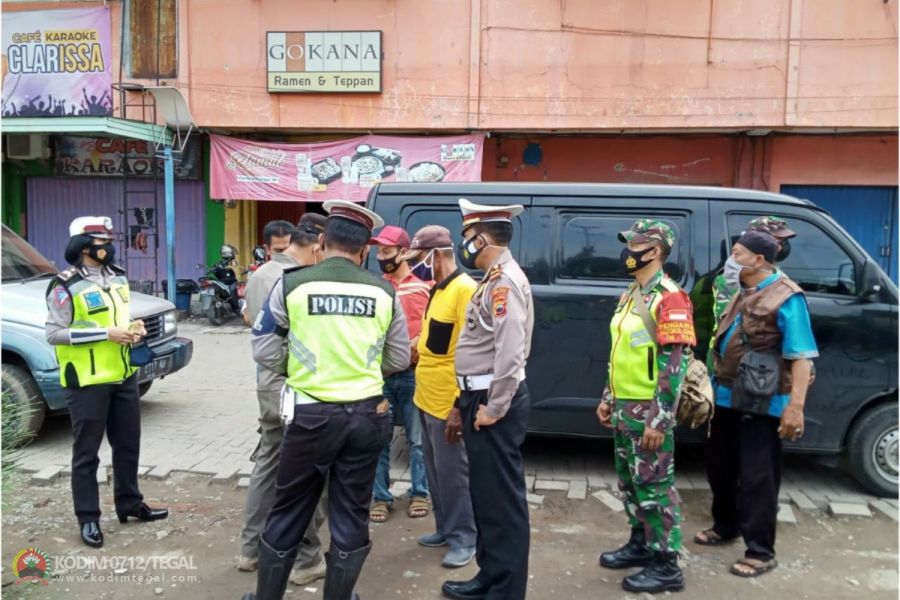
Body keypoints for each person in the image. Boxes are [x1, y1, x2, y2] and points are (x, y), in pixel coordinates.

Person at [243, 200, 410, 600]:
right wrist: (362, 371)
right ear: (365, 249)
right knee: (351, 512)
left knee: (290, 509)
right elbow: (400, 357)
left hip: (310, 415)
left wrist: (301, 369)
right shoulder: (385, 292)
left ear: (322, 241)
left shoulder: (293, 284)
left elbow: (264, 349)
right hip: (368, 416)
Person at [696, 229, 817, 579]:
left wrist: (795, 407)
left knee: (757, 477)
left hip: (764, 402)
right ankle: (726, 526)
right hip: (726, 395)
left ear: (759, 260)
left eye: (737, 253)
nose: (730, 260)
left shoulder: (787, 297)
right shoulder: (741, 290)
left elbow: (802, 356)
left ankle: (760, 551)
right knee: (720, 466)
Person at [45, 217, 168, 549]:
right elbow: (54, 334)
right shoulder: (65, 285)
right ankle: (88, 518)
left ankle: (129, 504)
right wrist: (106, 334)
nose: (109, 246)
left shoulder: (117, 278)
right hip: (86, 381)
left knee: (128, 446)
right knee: (87, 453)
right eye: (102, 242)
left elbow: (117, 319)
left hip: (123, 375)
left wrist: (134, 326)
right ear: (85, 247)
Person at [596, 219, 696, 594]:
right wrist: (608, 397)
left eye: (634, 244)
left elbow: (675, 364)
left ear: (654, 250)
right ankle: (640, 544)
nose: (628, 251)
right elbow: (620, 352)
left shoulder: (670, 297)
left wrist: (660, 418)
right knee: (631, 483)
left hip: (649, 411)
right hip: (625, 407)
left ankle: (667, 564)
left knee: (655, 488)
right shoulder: (631, 292)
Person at [441, 199, 533, 600]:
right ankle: (490, 575)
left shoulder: (504, 282)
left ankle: (506, 590)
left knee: (502, 502)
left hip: (493, 398)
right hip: (475, 393)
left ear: (481, 239)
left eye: (467, 239)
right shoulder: (492, 278)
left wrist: (494, 407)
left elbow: (511, 352)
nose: (464, 247)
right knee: (485, 495)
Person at [238, 214, 328, 587]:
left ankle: (250, 548)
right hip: (295, 386)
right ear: (317, 243)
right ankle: (307, 555)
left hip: (268, 386)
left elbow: (250, 320)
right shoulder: (302, 279)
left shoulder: (260, 275)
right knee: (306, 473)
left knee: (268, 465)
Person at [399, 225, 478, 568]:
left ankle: (465, 537)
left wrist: (459, 407)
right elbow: (437, 339)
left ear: (438, 254)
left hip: (448, 402)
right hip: (424, 396)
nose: (415, 265)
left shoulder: (465, 291)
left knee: (454, 475)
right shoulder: (438, 290)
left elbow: (474, 352)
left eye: (418, 259)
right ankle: (445, 528)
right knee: (435, 474)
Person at [369, 225, 432, 523]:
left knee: (417, 439)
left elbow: (433, 325)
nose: (381, 257)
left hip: (412, 373)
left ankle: (420, 492)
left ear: (404, 252)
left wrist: (419, 341)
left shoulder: (424, 286)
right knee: (378, 439)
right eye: (378, 251)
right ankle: (380, 497)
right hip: (380, 376)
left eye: (386, 251)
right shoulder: (375, 287)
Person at [707, 217, 797, 367]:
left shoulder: (774, 272)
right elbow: (736, 326)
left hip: (762, 365)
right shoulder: (734, 277)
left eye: (782, 242)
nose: (781, 247)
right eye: (777, 241)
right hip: (734, 362)